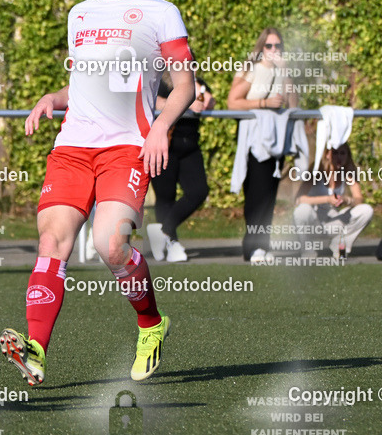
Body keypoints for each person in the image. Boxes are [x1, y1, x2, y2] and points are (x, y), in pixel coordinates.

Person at [1, 0, 195, 387]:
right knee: (52, 242)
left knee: (111, 245)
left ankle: (151, 324)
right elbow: (87, 82)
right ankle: (36, 350)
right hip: (72, 146)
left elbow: (184, 84)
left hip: (126, 148)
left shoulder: (160, 12)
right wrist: (53, 98)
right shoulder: (80, 14)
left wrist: (161, 127)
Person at [227, 27, 299, 263]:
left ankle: (262, 245)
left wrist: (286, 73)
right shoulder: (251, 69)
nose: (273, 50)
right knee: (256, 195)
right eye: (269, 45)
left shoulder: (283, 71)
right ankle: (252, 247)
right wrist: (264, 103)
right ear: (261, 47)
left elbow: (294, 105)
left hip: (276, 141)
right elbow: (232, 102)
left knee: (269, 196)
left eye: (278, 46)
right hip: (255, 141)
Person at [147, 75, 214, 262]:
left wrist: (195, 84)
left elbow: (209, 102)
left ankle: (163, 231)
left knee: (199, 191)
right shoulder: (160, 81)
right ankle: (171, 241)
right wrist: (184, 102)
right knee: (166, 196)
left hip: (190, 145)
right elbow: (153, 101)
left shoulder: (196, 82)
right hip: (165, 144)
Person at [293, 143, 373, 259]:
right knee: (302, 211)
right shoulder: (317, 170)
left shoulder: (348, 172)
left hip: (334, 221)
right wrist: (327, 199)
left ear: (347, 155)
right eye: (335, 153)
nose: (339, 157)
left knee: (366, 210)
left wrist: (346, 200)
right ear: (327, 155)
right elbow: (299, 199)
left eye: (342, 153)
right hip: (314, 222)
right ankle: (307, 250)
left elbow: (359, 199)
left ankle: (339, 245)